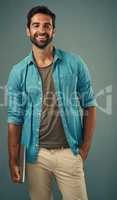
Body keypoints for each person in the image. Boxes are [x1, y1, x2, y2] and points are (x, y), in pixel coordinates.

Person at [7, 5, 96, 200]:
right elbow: (15, 117)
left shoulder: (75, 63)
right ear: (27, 30)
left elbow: (89, 103)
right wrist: (13, 159)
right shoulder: (18, 72)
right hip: (35, 156)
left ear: (53, 31)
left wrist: (85, 147)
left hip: (69, 152)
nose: (41, 30)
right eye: (36, 25)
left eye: (46, 26)